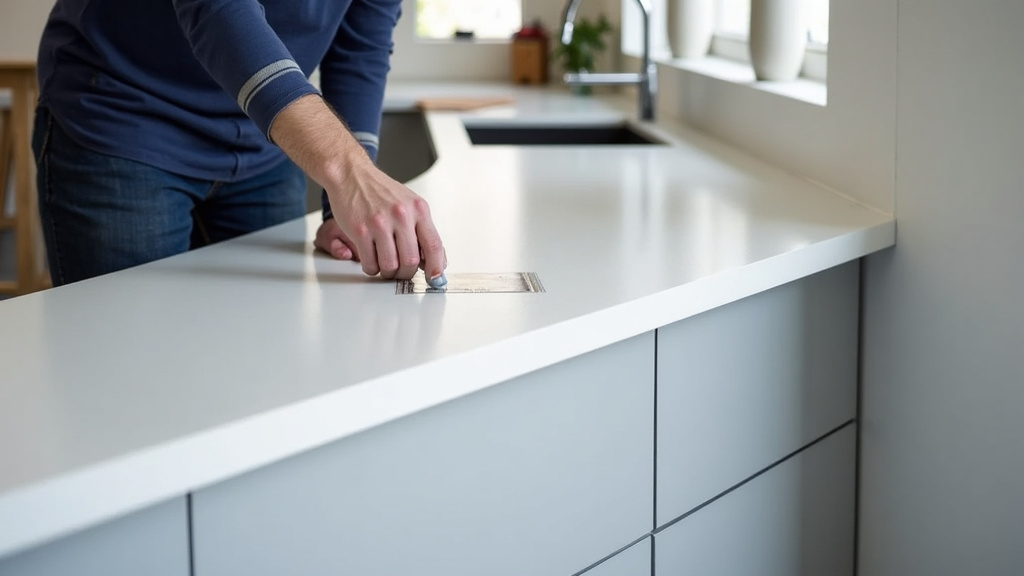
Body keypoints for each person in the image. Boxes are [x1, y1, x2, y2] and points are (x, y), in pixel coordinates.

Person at [32, 0, 446, 286]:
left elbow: (361, 49)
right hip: (124, 118)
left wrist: (346, 202)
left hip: (266, 137)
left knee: (262, 364)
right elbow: (218, 10)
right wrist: (350, 174)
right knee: (127, 362)